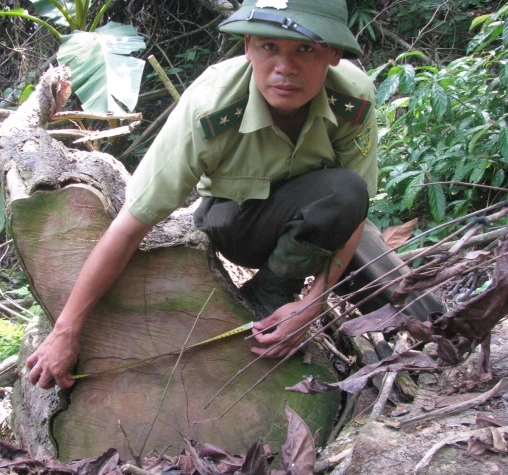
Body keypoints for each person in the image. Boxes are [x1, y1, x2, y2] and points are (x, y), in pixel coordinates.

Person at [27, 0, 442, 389]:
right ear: (248, 47)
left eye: (306, 51)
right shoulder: (211, 106)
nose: (285, 68)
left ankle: (414, 368)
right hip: (236, 222)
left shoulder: (353, 97)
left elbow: (356, 206)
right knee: (341, 200)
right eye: (269, 47)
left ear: (333, 55)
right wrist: (66, 332)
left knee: (423, 312)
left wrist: (315, 302)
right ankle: (270, 294)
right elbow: (130, 226)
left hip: (319, 216)